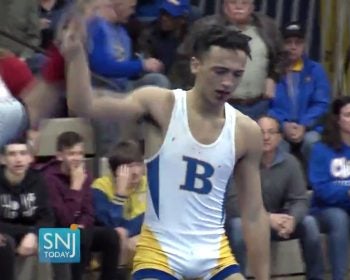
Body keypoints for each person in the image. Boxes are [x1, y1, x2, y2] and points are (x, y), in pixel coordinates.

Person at [63, 22, 270, 280]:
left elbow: (253, 214)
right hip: (160, 254)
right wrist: (76, 56)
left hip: (215, 256)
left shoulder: (246, 131)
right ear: (196, 65)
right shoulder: (161, 104)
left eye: (236, 75)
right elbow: (84, 106)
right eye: (220, 71)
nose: (228, 82)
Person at [226, 116, 324, 279]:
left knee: (310, 223)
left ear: (279, 137)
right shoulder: (241, 162)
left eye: (271, 132)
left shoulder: (290, 163)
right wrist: (266, 218)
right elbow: (233, 203)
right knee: (236, 226)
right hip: (251, 223)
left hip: (279, 223)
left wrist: (292, 219)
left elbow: (300, 199)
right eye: (260, 132)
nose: (265, 137)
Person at [177, 0, 284, 119]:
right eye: (233, 2)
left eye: (244, 3)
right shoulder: (206, 26)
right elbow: (184, 59)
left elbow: (281, 56)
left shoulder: (267, 26)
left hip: (258, 105)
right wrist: (200, 86)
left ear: (253, 6)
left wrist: (273, 77)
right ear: (224, 6)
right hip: (218, 104)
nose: (239, 7)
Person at [41, 131, 120, 280]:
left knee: (111, 236)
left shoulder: (85, 175)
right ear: (59, 156)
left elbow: (89, 212)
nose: (77, 158)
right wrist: (75, 188)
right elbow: (64, 220)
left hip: (77, 231)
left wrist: (82, 224)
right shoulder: (48, 179)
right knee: (78, 236)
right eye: (71, 154)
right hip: (52, 235)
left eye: (80, 153)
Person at [308, 96, 350, 280]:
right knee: (339, 218)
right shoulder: (321, 149)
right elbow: (320, 188)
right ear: (337, 119)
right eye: (348, 115)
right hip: (325, 210)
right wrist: (349, 193)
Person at [269, 21, 330, 161]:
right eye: (288, 42)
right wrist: (283, 124)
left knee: (313, 143)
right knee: (275, 145)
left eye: (298, 42)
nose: (293, 47)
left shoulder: (315, 70)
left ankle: (314, 183)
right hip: (279, 128)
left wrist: (304, 124)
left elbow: (322, 103)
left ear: (304, 46)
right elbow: (267, 104)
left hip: (310, 128)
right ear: (281, 45)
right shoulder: (272, 71)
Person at [0, 138, 54, 280]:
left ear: (30, 158)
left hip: (31, 234)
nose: (18, 159)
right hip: (5, 234)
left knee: (65, 242)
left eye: (23, 153)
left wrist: (34, 235)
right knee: (5, 244)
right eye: (12, 154)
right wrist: (29, 233)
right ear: (3, 159)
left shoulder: (39, 180)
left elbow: (47, 217)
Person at [92, 139, 147, 264]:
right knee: (120, 235)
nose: (135, 172)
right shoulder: (101, 188)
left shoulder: (151, 185)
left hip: (144, 238)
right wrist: (120, 194)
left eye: (138, 165)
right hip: (113, 245)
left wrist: (129, 229)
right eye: (128, 167)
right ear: (115, 171)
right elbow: (112, 228)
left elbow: (152, 221)